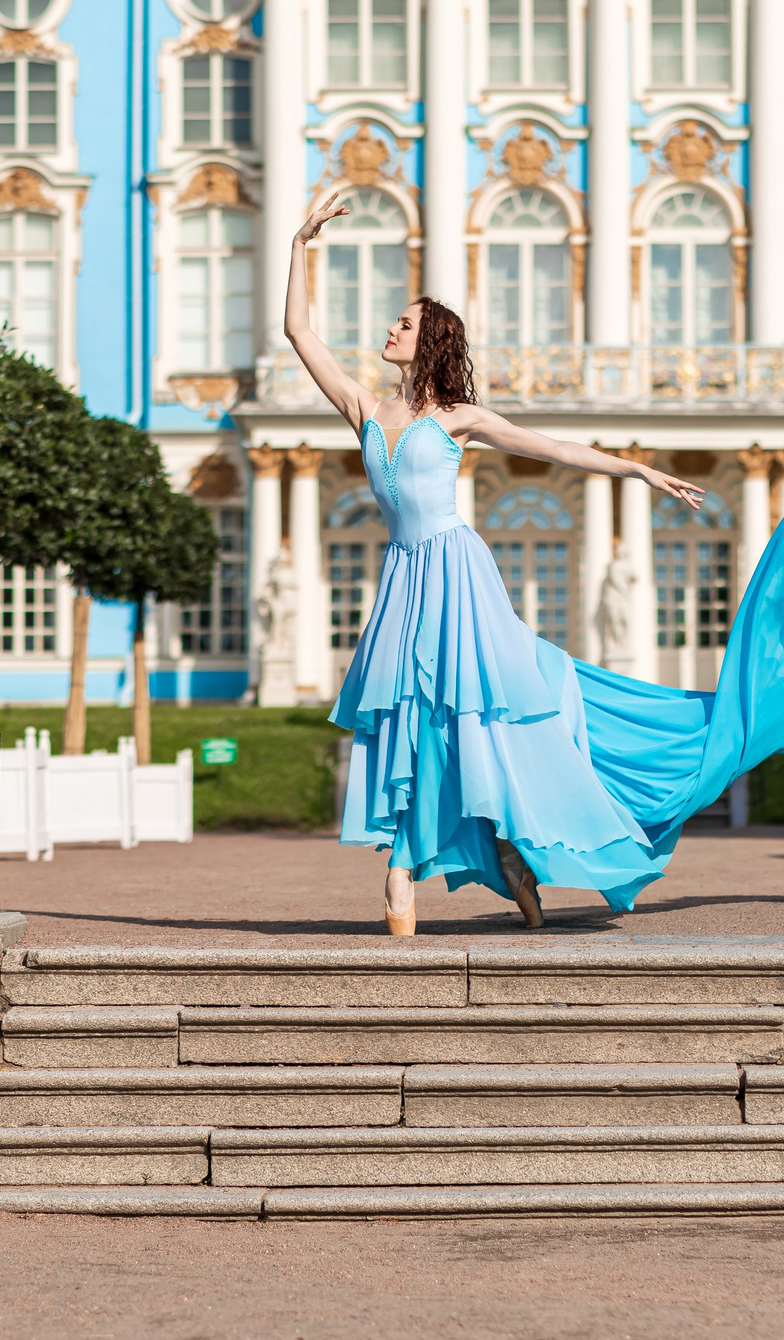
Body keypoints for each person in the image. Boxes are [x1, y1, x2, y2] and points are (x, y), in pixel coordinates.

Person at [284, 193, 702, 934]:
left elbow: (559, 449)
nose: (389, 328)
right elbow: (297, 330)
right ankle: (467, 857)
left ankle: (463, 855)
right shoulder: (364, 409)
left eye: (405, 323)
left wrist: (639, 471)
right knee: (414, 719)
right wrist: (300, 244)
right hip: (404, 578)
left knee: (478, 716)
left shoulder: (460, 421)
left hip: (455, 573)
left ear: (432, 341)